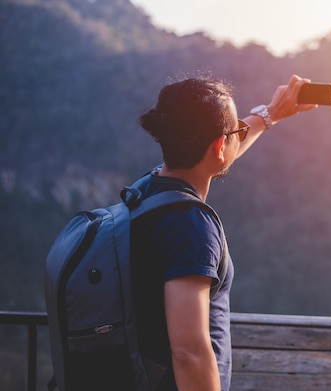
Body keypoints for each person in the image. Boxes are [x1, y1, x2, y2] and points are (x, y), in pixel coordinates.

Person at [130, 74, 318, 391]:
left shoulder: (145, 193)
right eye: (236, 133)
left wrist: (268, 114)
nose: (239, 137)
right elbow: (189, 352)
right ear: (220, 145)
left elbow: (215, 147)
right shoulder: (191, 224)